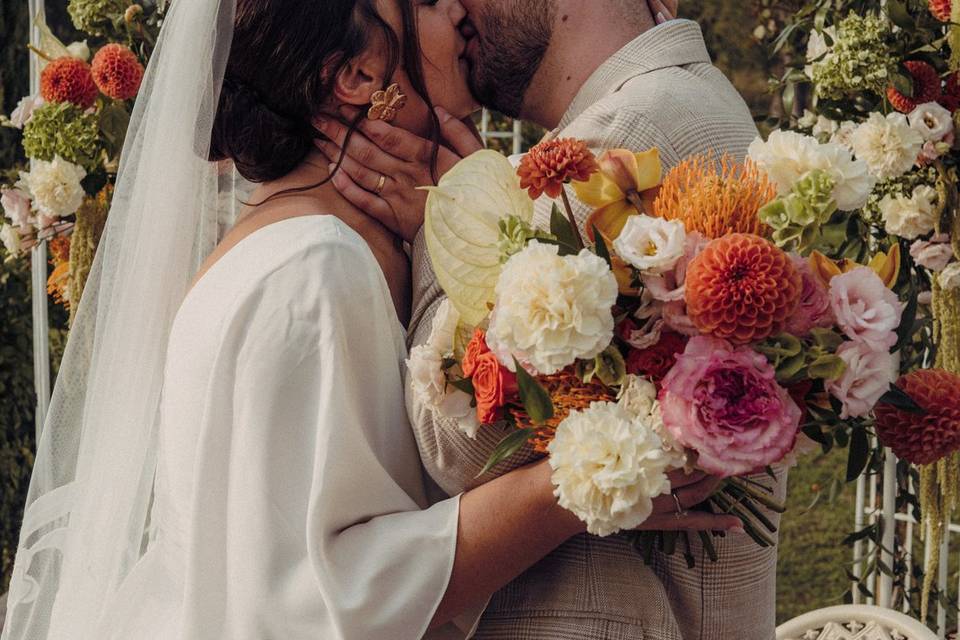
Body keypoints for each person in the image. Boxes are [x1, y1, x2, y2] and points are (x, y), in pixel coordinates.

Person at [0, 1, 737, 639]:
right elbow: (312, 602)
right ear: (357, 76)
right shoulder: (316, 269)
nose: (457, 11)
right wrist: (581, 485)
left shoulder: (302, 245)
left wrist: (458, 221)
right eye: (419, 1)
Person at [317, 1, 786, 638]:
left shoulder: (626, 138)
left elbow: (452, 438)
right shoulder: (681, 101)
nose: (454, 9)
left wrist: (446, 224)